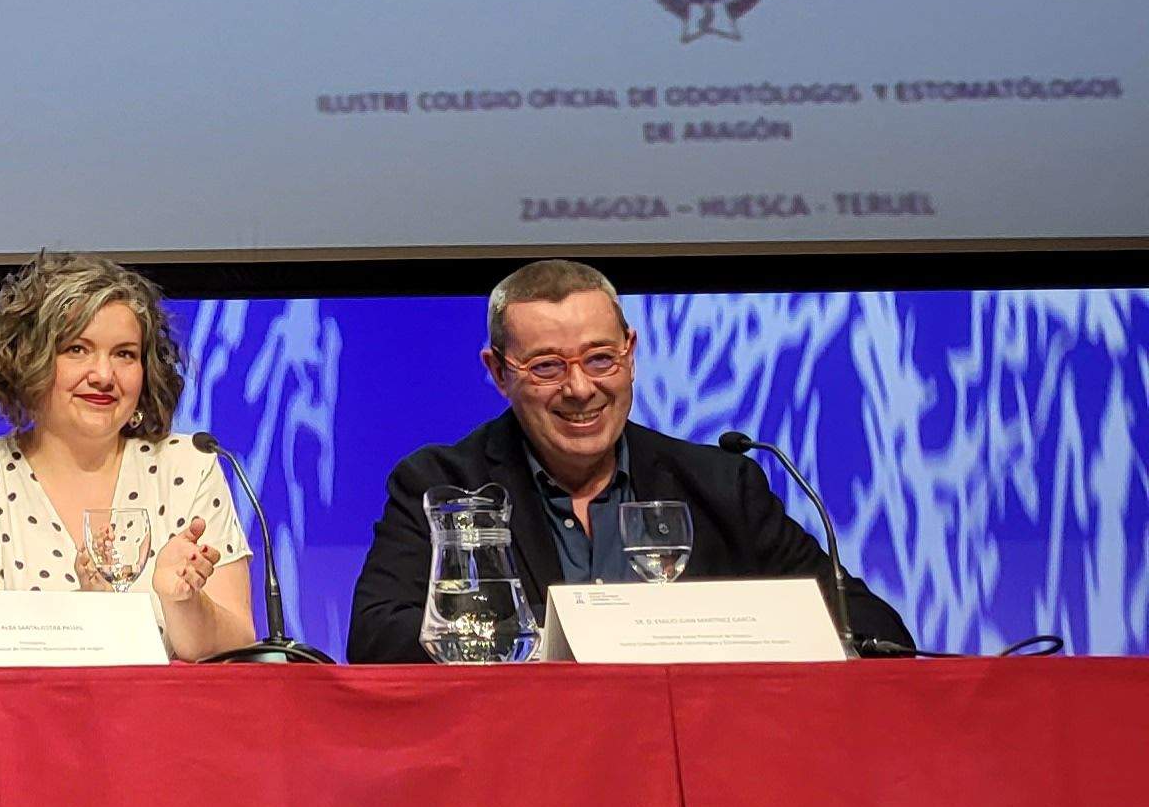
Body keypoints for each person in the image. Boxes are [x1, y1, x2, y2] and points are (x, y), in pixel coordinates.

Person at [351, 258, 917, 662]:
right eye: (547, 367)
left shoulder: (720, 482)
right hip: (520, 768)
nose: (580, 389)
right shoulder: (444, 483)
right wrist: (549, 642)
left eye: (600, 359)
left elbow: (874, 628)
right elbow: (378, 637)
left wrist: (731, 632)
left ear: (631, 351)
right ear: (499, 372)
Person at [0, 253, 254, 661]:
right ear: (29, 361)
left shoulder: (189, 465)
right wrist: (93, 618)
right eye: (77, 349)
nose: (104, 375)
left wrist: (183, 603)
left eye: (124, 354)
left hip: (172, 720)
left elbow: (239, 645)